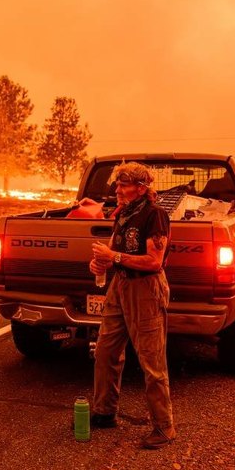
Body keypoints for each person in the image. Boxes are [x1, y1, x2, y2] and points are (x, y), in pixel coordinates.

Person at [89, 161, 175, 450]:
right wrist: (99, 261)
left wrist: (112, 257)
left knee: (151, 360)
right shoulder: (123, 213)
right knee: (106, 349)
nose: (118, 189)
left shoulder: (155, 215)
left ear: (141, 187)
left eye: (123, 184)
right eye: (118, 184)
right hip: (120, 285)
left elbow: (154, 261)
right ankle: (104, 411)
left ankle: (164, 427)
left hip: (146, 289)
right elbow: (116, 250)